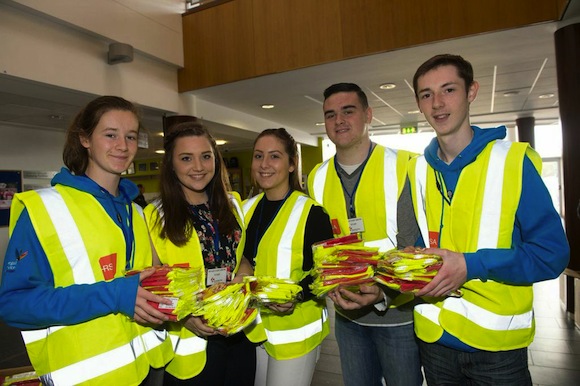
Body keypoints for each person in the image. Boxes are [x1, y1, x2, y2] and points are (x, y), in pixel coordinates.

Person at [409, 54, 570, 385]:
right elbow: (415, 246)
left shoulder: (513, 162)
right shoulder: (418, 170)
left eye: (448, 90)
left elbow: (552, 255)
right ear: (419, 104)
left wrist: (472, 265)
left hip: (497, 352)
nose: (437, 103)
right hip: (434, 341)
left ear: (471, 92)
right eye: (426, 95)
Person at [0, 96, 174, 385]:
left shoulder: (137, 212)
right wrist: (115, 295)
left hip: (148, 368)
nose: (123, 146)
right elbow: (15, 305)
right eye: (110, 135)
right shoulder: (45, 208)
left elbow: (141, 281)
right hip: (85, 376)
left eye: (130, 136)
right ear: (85, 139)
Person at [307, 83, 423, 386]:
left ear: (368, 115)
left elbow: (414, 246)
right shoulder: (316, 177)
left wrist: (384, 291)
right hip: (347, 318)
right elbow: (322, 247)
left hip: (399, 315)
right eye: (330, 115)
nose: (339, 121)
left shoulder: (405, 165)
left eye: (348, 111)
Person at [143, 121, 255, 386]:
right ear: (171, 164)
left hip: (237, 335)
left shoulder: (232, 204)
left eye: (206, 156)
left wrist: (242, 281)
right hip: (191, 347)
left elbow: (242, 261)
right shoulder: (155, 216)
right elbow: (152, 284)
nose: (198, 167)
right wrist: (186, 316)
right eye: (186, 158)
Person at [242, 128, 334, 386]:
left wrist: (296, 294)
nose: (264, 165)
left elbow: (326, 273)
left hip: (295, 334)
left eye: (274, 156)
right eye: (258, 156)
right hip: (255, 331)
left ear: (292, 164)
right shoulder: (245, 210)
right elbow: (244, 260)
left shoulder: (312, 213)